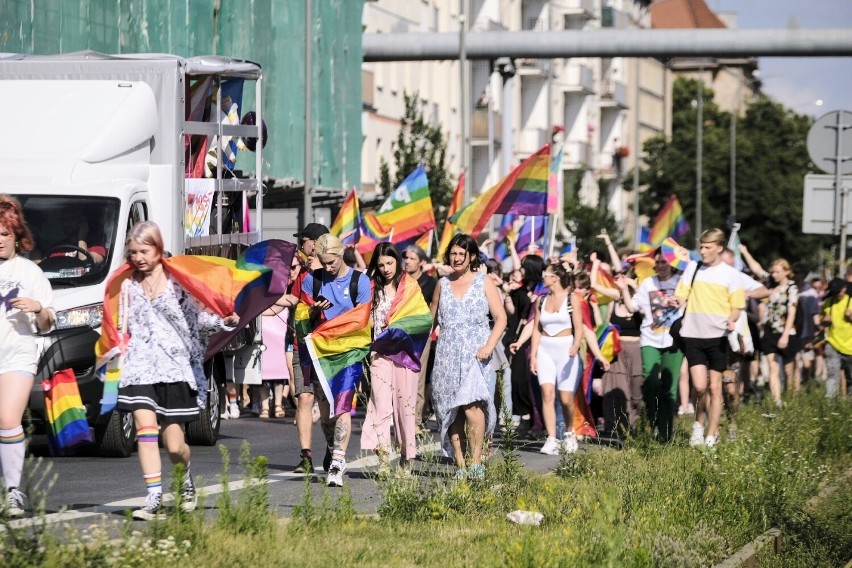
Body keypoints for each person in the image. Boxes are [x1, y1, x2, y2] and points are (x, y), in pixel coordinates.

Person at [113, 221, 238, 520]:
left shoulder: (178, 282)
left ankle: (186, 476)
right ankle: (153, 497)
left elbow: (200, 319)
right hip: (140, 366)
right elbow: (121, 324)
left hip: (176, 367)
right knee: (144, 429)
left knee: (174, 445)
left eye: (144, 251)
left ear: (158, 249)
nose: (139, 258)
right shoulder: (128, 285)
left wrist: (224, 322)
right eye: (134, 253)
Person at [430, 233, 506, 479]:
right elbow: (428, 321)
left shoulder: (483, 281)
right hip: (447, 354)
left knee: (473, 407)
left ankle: (476, 463)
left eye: (461, 254)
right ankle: (460, 465)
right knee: (453, 410)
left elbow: (501, 318)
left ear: (471, 256)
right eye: (453, 253)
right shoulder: (442, 284)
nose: (456, 258)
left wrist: (489, 346)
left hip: (476, 354)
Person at [301, 233, 371, 487]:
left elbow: (363, 318)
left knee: (342, 405)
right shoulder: (313, 280)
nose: (327, 268)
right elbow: (300, 313)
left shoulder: (360, 282)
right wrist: (313, 310)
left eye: (331, 262)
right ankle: (332, 448)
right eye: (323, 262)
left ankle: (338, 462)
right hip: (321, 352)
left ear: (341, 255)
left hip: (349, 351)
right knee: (327, 409)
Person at [0, 195, 54, 518]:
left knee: (8, 419)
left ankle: (13, 491)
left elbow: (47, 322)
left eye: (5, 234)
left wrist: (38, 308)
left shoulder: (29, 272)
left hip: (17, 354)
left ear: (17, 236)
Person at [361, 243, 432, 471]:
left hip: (404, 354)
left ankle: (406, 458)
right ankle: (383, 459)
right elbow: (363, 319)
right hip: (379, 354)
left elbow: (423, 319)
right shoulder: (372, 288)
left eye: (390, 263)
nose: (386, 268)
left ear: (397, 262)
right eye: (381, 265)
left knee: (405, 406)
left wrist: (399, 327)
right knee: (380, 406)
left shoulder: (410, 287)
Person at [673, 228, 745, 448]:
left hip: (718, 337)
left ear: (719, 248)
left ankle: (712, 435)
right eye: (701, 247)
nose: (702, 251)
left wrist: (732, 319)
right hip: (693, 334)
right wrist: (675, 301)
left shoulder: (731, 275)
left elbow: (737, 306)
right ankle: (698, 423)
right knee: (700, 385)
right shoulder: (693, 268)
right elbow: (681, 294)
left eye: (707, 247)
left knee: (715, 388)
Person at [530, 263, 583, 455]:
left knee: (566, 398)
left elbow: (579, 326)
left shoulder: (572, 299)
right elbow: (537, 329)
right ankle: (551, 438)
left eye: (546, 274)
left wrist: (576, 344)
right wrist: (534, 355)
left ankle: (569, 433)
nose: (543, 277)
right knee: (547, 393)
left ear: (556, 278)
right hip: (545, 349)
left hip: (565, 349)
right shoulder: (540, 300)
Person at [633, 250, 683, 442]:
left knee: (670, 388)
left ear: (671, 263)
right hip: (650, 338)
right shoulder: (648, 283)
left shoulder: (682, 282)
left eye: (664, 262)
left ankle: (666, 432)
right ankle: (653, 421)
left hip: (674, 339)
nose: (660, 266)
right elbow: (634, 305)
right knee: (650, 380)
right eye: (658, 263)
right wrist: (623, 289)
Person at [404, 245, 438, 432]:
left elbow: (435, 308)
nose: (407, 261)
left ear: (422, 262)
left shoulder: (430, 283)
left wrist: (431, 328)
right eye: (406, 258)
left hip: (421, 335)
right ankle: (402, 417)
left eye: (412, 258)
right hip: (400, 334)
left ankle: (416, 421)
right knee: (400, 377)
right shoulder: (400, 281)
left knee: (418, 376)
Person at [820, 278, 852, 398]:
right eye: (833, 292)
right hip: (833, 344)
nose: (836, 294)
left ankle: (849, 406)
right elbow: (821, 323)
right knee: (832, 374)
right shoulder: (827, 302)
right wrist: (824, 321)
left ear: (844, 289)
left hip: (850, 346)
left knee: (851, 378)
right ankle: (830, 404)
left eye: (838, 291)